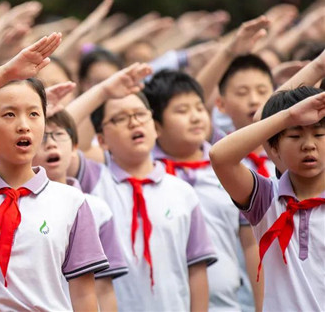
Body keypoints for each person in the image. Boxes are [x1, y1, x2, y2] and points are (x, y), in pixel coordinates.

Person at [0, 33, 108, 311]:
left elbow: (84, 296)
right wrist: (5, 73)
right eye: (9, 114)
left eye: (34, 114)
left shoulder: (72, 202)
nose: (24, 125)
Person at [67, 64, 217, 311]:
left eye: (140, 114)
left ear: (155, 126)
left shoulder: (182, 192)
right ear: (101, 140)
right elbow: (61, 130)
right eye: (120, 118)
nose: (133, 122)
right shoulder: (94, 181)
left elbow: (197, 270)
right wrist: (103, 91)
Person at [143, 70, 261, 311]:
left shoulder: (230, 167)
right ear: (156, 125)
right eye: (181, 111)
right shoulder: (144, 174)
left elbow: (251, 243)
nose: (196, 117)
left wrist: (262, 305)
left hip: (231, 302)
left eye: (199, 108)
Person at [210, 86, 325, 311]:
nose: (309, 144)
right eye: (294, 135)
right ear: (273, 149)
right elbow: (220, 156)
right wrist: (288, 116)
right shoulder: (266, 198)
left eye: (319, 134)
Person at [32, 107, 128, 312]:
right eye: (42, 137)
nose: (50, 143)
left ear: (75, 146)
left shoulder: (97, 209)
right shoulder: (18, 205)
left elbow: (104, 288)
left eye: (59, 135)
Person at [217, 55, 277, 178]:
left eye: (262, 91)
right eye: (242, 93)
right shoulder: (218, 158)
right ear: (221, 104)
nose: (254, 100)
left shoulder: (291, 148)